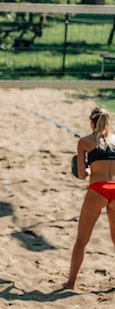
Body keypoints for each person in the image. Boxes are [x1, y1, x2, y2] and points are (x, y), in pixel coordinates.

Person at [63, 107, 115, 290]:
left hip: (97, 190)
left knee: (82, 240)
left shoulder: (84, 142)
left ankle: (71, 282)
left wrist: (89, 167)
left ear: (91, 121)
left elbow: (83, 175)